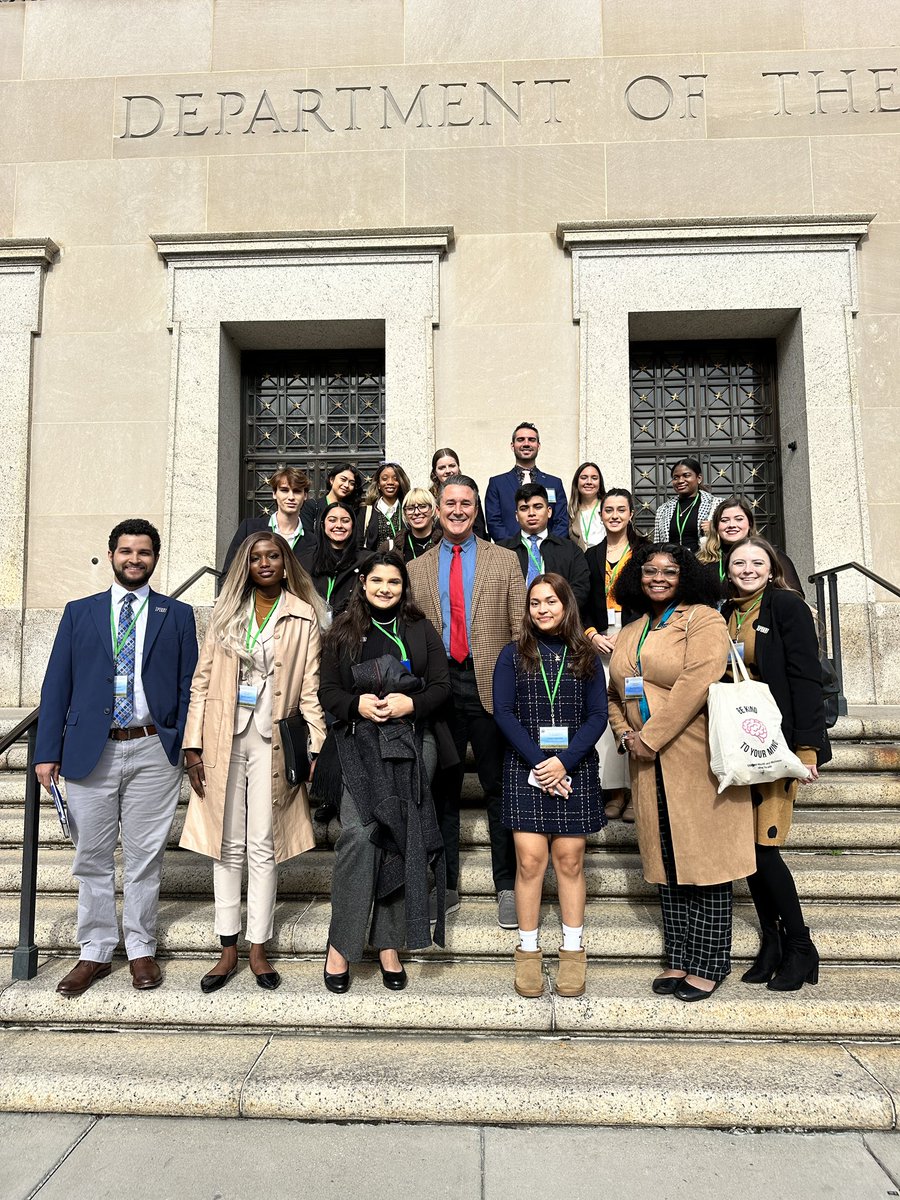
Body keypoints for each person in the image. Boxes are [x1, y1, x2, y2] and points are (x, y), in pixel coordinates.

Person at [34, 519, 198, 997]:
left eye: (143, 552)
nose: (134, 559)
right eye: (125, 551)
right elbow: (56, 684)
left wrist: (185, 743)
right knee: (92, 855)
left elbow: (191, 687)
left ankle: (141, 947)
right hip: (91, 750)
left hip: (152, 747)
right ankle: (95, 949)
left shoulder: (177, 614)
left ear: (155, 558)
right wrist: (47, 751)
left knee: (146, 855)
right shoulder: (79, 612)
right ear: (111, 556)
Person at [607, 542, 755, 1001]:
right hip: (646, 765)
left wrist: (650, 737)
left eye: (669, 571)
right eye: (649, 570)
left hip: (692, 756)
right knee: (667, 861)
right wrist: (625, 734)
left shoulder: (702, 619)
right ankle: (678, 956)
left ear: (685, 575)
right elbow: (614, 692)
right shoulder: (631, 628)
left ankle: (710, 961)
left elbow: (697, 682)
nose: (657, 577)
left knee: (705, 862)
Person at [180, 531, 326, 993]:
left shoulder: (304, 617)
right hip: (224, 738)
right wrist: (192, 743)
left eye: (273, 556)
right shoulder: (225, 615)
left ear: (285, 564)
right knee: (226, 844)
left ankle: (258, 947)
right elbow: (201, 683)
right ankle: (227, 948)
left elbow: (310, 690)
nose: (265, 563)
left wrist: (317, 745)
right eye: (257, 557)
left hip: (273, 741)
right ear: (246, 564)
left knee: (263, 844)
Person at [318, 551, 452, 993]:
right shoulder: (342, 630)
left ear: (403, 586)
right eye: (378, 581)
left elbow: (441, 686)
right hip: (358, 742)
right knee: (359, 831)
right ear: (363, 581)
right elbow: (328, 691)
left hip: (414, 741)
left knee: (402, 833)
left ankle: (389, 944)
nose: (385, 589)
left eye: (394, 582)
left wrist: (410, 703)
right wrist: (354, 704)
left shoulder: (418, 628)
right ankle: (342, 944)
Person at [408, 474, 526, 928]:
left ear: (476, 509)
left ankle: (506, 885)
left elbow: (520, 630)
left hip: (492, 687)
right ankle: (448, 882)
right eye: (449, 503)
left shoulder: (505, 560)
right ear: (437, 510)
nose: (457, 510)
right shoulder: (418, 568)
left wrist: (521, 691)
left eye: (466, 503)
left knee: (499, 789)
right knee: (443, 791)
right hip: (439, 691)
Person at [722, 535, 830, 991]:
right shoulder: (728, 610)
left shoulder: (786, 606)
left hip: (778, 745)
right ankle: (772, 941)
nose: (746, 568)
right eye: (738, 562)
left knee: (765, 848)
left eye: (755, 561)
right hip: (740, 744)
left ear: (771, 567)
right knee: (747, 852)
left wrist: (806, 748)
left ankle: (802, 946)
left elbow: (807, 677)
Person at [492, 575, 608, 999]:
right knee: (529, 861)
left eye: (551, 602)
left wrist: (564, 762)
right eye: (535, 602)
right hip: (527, 766)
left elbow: (597, 716)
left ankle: (573, 951)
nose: (542, 609)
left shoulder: (586, 655)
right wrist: (543, 764)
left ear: (566, 606)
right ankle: (527, 951)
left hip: (573, 765)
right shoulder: (512, 655)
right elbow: (503, 714)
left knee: (570, 859)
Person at [583, 488, 647, 822]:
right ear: (601, 514)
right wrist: (591, 634)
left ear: (631, 514)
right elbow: (579, 601)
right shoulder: (591, 555)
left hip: (636, 644)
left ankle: (637, 792)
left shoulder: (645, 552)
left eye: (621, 509)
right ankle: (614, 791)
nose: (615, 515)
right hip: (601, 647)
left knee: (633, 714)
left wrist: (630, 630)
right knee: (606, 717)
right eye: (608, 510)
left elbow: (655, 598)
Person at [499, 483, 590, 621]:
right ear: (517, 516)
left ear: (549, 512)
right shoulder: (501, 551)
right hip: (514, 626)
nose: (531, 513)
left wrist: (558, 615)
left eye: (538, 507)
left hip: (560, 627)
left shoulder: (570, 550)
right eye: (524, 508)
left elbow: (581, 588)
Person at [698, 495, 804, 598]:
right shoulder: (703, 560)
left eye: (739, 519)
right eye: (724, 520)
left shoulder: (772, 555)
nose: (731, 525)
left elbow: (795, 596)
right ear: (716, 526)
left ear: (750, 524)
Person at [485, 422, 568, 541]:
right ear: (512, 446)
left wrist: (550, 547)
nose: (526, 443)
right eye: (521, 439)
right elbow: (494, 522)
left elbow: (562, 521)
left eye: (531, 440)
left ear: (538, 446)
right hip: (509, 553)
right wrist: (512, 548)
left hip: (549, 554)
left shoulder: (555, 483)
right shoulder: (497, 484)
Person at [223, 467, 316, 574]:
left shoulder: (313, 541)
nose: (291, 497)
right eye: (284, 490)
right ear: (274, 494)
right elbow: (229, 572)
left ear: (305, 496)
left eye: (297, 491)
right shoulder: (249, 528)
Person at [297, 500, 366, 622]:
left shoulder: (366, 560)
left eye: (345, 521)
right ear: (323, 525)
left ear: (353, 526)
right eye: (332, 520)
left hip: (351, 630)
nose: (339, 525)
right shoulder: (304, 561)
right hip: (311, 629)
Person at [652, 458, 716, 554]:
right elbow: (657, 543)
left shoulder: (715, 505)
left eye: (686, 475)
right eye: (675, 477)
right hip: (672, 565)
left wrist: (715, 529)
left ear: (699, 479)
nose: (680, 481)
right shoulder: (663, 510)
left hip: (703, 563)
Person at [430, 448, 488, 539]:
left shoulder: (469, 493)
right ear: (435, 472)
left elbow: (479, 528)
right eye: (442, 468)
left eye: (452, 466)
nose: (448, 471)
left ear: (458, 467)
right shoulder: (428, 497)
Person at [360, 461, 411, 552]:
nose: (390, 482)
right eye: (384, 479)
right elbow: (358, 545)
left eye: (395, 479)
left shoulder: (408, 511)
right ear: (378, 484)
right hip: (374, 564)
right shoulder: (366, 512)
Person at [308, 462, 365, 533]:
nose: (346, 485)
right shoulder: (312, 506)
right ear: (331, 480)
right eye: (343, 480)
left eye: (352, 483)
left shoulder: (355, 509)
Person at [567, 461, 607, 551]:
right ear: (577, 482)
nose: (589, 482)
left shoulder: (609, 509)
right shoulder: (571, 513)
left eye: (594, 478)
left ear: (600, 483)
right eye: (584, 478)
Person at [399, 487, 441, 561]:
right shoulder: (394, 547)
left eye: (422, 506)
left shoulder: (444, 543)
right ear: (405, 513)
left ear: (433, 509)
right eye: (410, 508)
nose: (416, 512)